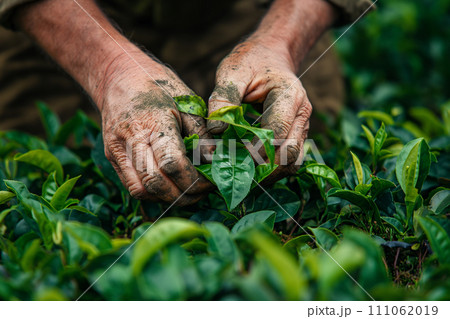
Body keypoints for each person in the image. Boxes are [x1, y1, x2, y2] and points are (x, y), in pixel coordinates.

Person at [0, 0, 374, 205]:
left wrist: (279, 43)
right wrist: (111, 69)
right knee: (64, 167)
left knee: (296, 146)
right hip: (63, 15)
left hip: (242, 11)